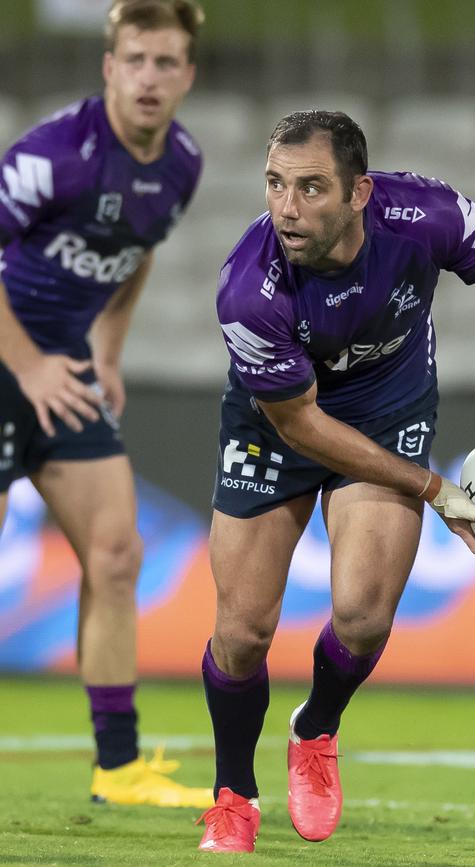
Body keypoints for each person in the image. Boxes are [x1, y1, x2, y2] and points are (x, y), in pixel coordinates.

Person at [196, 110, 475, 853]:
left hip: (386, 405)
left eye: (311, 188)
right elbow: (302, 426)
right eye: (276, 184)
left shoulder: (425, 217)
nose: (287, 207)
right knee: (242, 630)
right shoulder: (250, 289)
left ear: (359, 193)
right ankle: (233, 792)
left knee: (364, 616)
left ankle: (315, 727)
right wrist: (435, 490)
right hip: (277, 421)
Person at [0, 0, 213, 808]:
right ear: (109, 67)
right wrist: (26, 364)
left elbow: (137, 253)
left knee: (117, 555)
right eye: (136, 60)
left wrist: (108, 351)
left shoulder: (181, 166)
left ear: (188, 75)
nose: (150, 78)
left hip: (60, 372)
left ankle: (118, 767)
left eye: (166, 63)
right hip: (8, 359)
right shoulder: (55, 156)